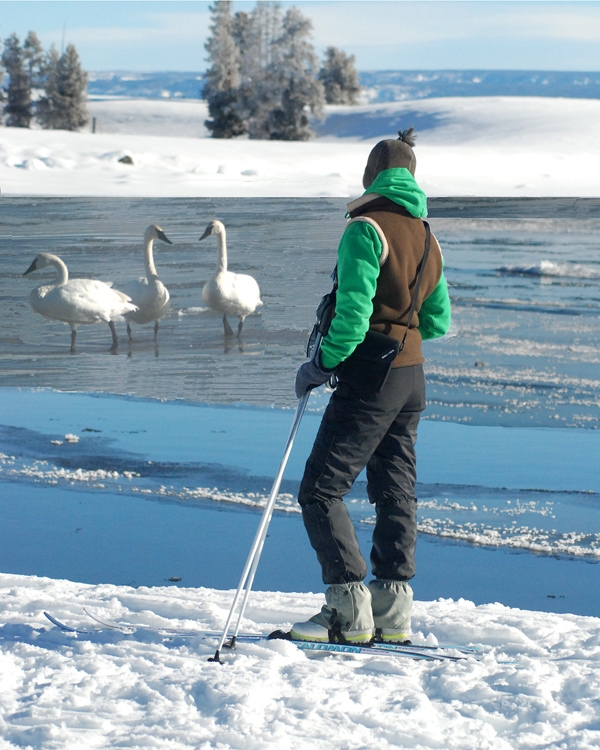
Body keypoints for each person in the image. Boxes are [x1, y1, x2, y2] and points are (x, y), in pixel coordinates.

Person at [291, 128, 451, 644]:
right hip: (412, 378)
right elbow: (440, 320)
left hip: (371, 378)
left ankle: (346, 609)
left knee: (319, 489)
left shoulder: (365, 229)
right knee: (394, 490)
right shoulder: (428, 235)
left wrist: (321, 364)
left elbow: (353, 316)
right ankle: (392, 609)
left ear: (372, 175)